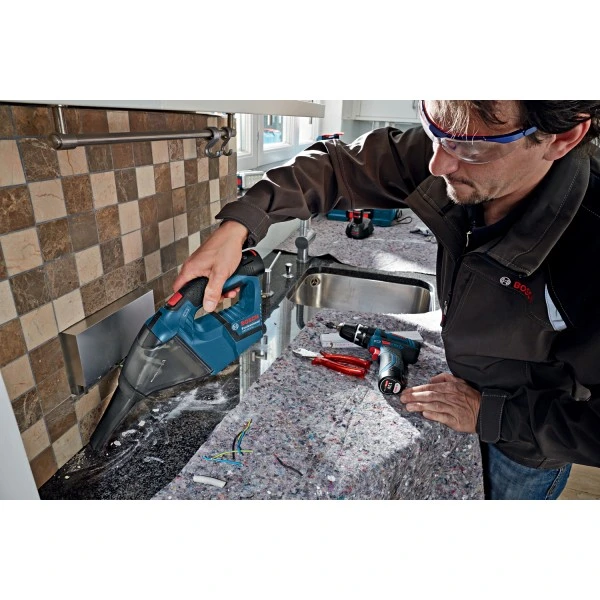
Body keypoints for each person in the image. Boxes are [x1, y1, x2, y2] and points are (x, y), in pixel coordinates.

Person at [173, 101, 600, 500]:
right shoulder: (458, 143)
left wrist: (489, 414)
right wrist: (238, 225)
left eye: (471, 149)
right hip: (467, 389)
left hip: (525, 446)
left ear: (562, 138)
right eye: (434, 131)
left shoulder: (591, 249)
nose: (436, 165)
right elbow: (337, 167)